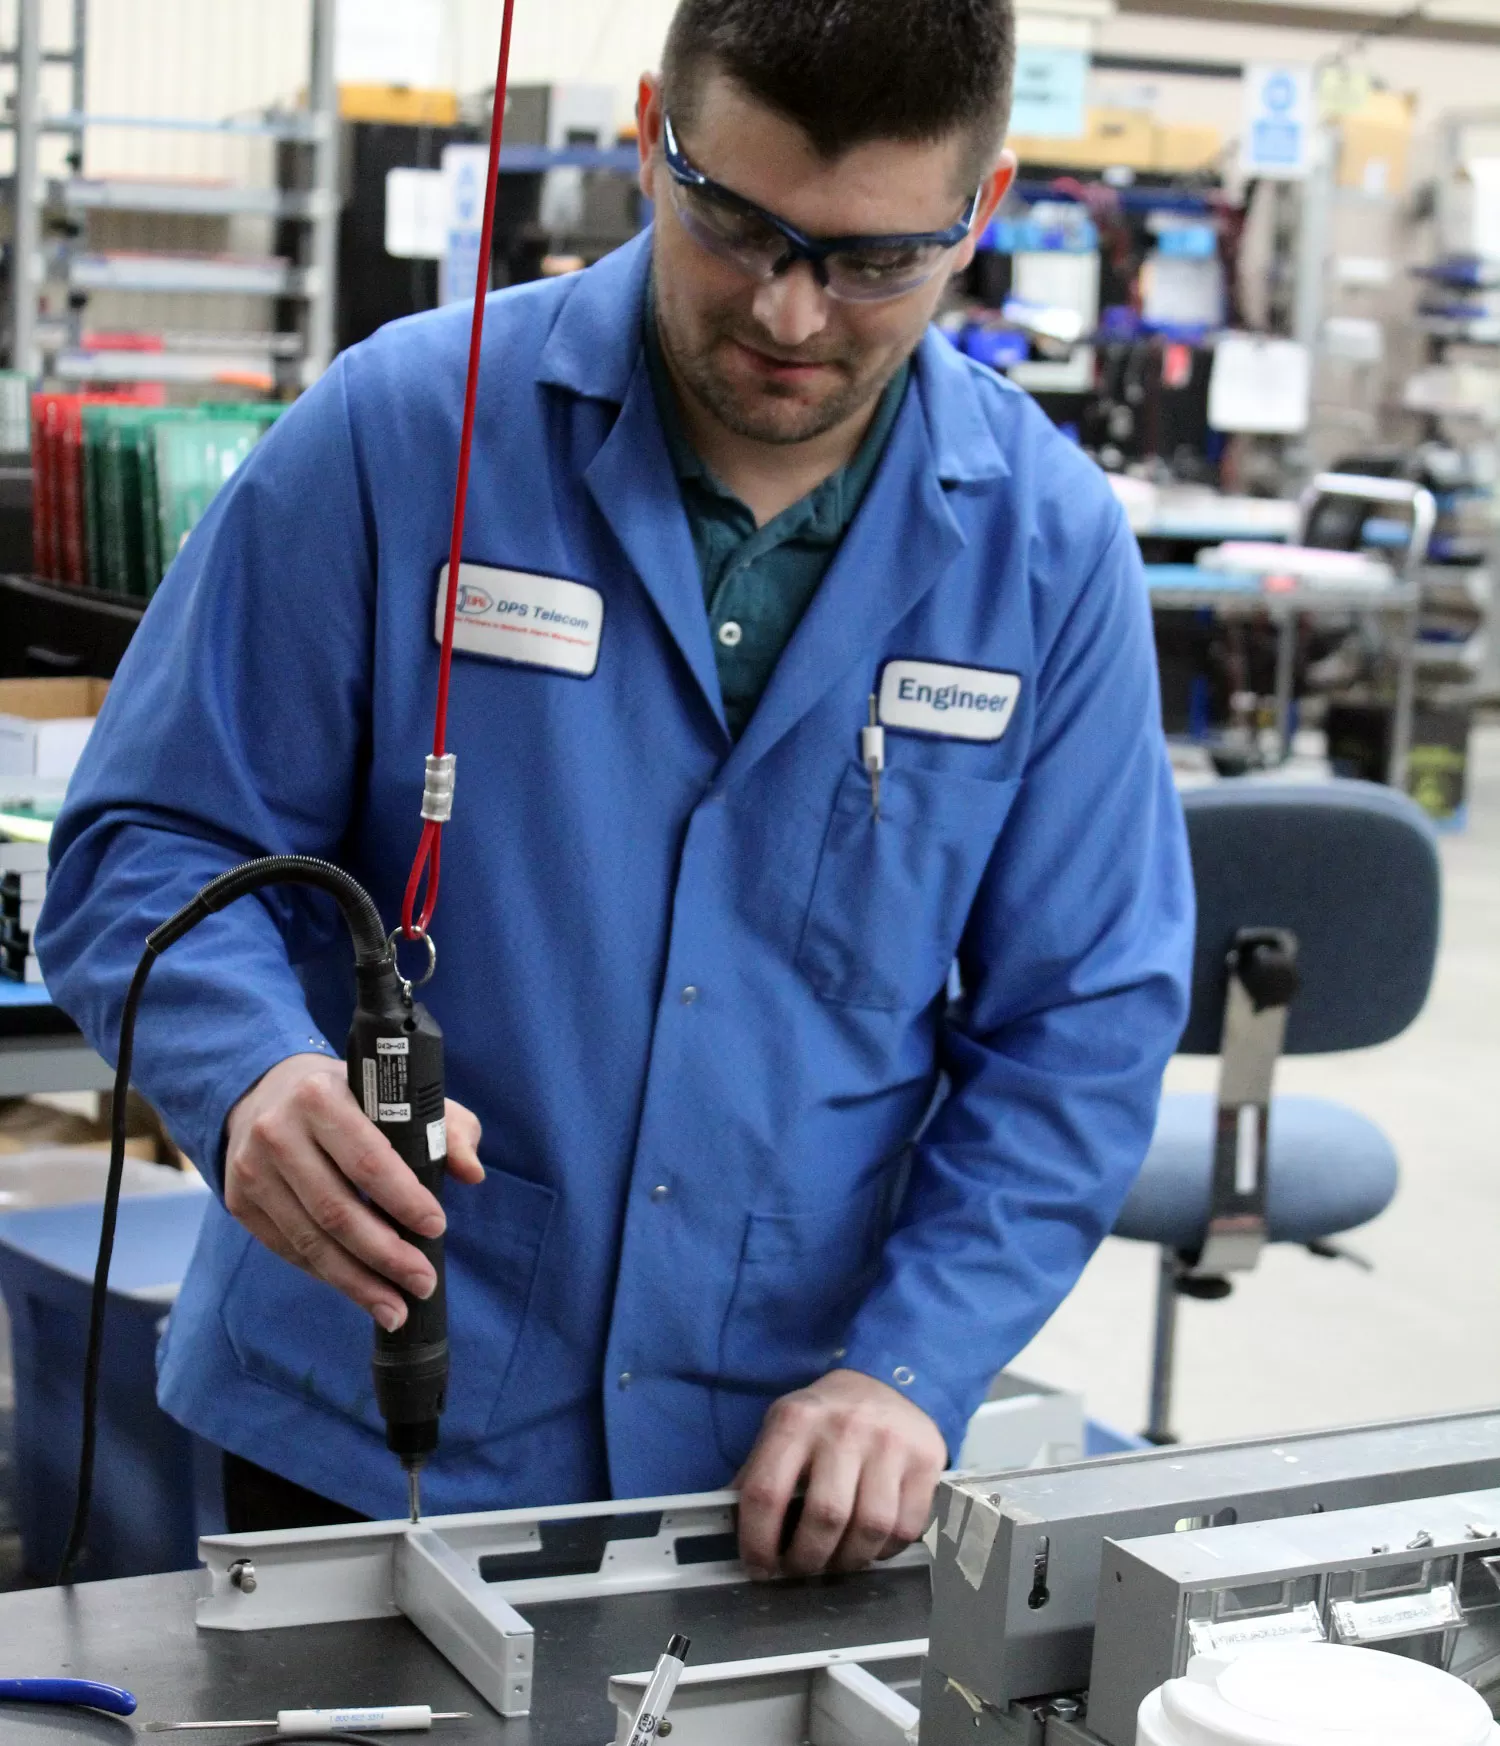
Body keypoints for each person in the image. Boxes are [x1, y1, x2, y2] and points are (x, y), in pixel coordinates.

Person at [37, 0, 1193, 1577]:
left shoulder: (1045, 551)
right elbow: (145, 843)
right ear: (654, 133)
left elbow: (1081, 1020)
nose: (792, 311)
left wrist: (909, 1366)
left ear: (980, 211)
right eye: (737, 226)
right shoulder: (404, 433)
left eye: (873, 261)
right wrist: (249, 1068)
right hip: (363, 1411)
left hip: (772, 1458)